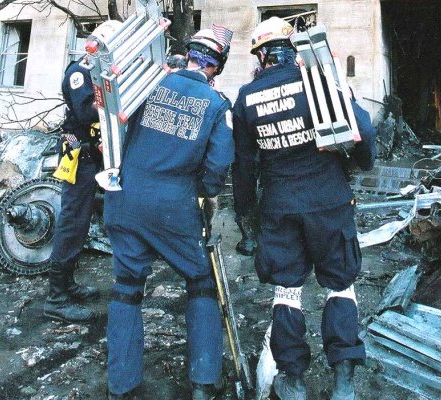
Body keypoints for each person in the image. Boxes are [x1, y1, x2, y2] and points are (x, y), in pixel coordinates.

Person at [232, 17, 377, 400]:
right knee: (340, 285)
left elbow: (243, 166)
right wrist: (364, 163)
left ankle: (292, 378)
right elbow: (363, 130)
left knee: (287, 290)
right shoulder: (320, 82)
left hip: (279, 206)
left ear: (261, 55)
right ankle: (343, 377)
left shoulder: (245, 97)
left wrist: (245, 212)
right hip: (329, 200)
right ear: (291, 50)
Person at [103, 26, 234, 400]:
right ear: (217, 66)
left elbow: (117, 127)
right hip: (173, 204)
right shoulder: (215, 103)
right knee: (201, 281)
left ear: (188, 53)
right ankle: (204, 383)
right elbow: (218, 164)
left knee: (126, 287)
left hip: (125, 197)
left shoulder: (149, 85)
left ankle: (121, 387)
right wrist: (204, 193)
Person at [43, 57, 101, 323]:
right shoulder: (80, 71)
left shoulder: (93, 71)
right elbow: (87, 112)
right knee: (72, 221)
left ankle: (67, 284)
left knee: (80, 221)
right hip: (76, 149)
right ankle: (56, 298)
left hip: (84, 148)